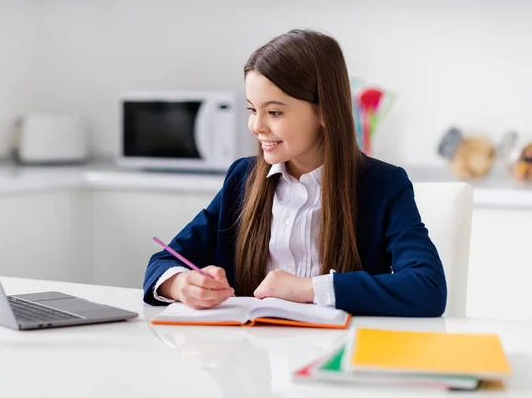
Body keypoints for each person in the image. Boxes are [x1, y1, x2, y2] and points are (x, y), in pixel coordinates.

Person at [143, 29, 447, 317]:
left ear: (324, 112)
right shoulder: (243, 179)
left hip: (335, 357)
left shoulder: (383, 185)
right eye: (252, 109)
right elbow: (164, 260)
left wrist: (308, 288)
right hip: (250, 358)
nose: (256, 126)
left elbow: (427, 287)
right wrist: (183, 285)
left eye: (274, 112)